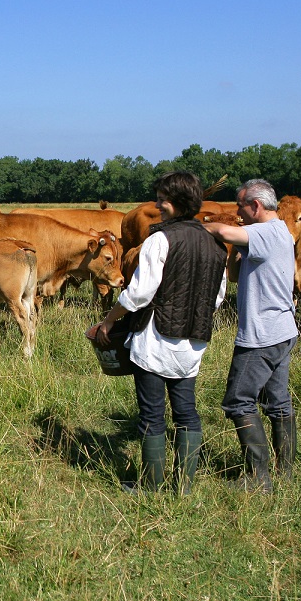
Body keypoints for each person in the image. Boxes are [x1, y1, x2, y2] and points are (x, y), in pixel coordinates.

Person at [89, 171, 228, 495]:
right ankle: (184, 488)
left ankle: (151, 487)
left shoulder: (159, 240)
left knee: (152, 413)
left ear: (175, 202)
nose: (157, 204)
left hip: (155, 339)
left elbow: (138, 294)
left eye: (162, 198)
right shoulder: (215, 243)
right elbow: (217, 298)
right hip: (194, 341)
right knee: (187, 412)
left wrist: (109, 321)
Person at [203, 178, 298, 493]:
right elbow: (232, 275)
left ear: (256, 205)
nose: (237, 213)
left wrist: (191, 227)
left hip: (261, 337)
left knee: (238, 401)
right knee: (277, 402)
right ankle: (284, 473)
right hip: (282, 330)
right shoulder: (279, 231)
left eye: (240, 206)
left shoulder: (266, 233)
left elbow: (224, 231)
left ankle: (258, 480)